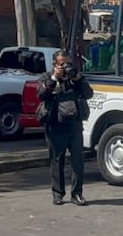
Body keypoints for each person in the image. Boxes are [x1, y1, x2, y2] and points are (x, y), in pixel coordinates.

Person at [37, 50, 94, 206]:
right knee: (56, 161)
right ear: (55, 64)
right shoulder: (46, 78)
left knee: (78, 161)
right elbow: (41, 95)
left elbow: (89, 94)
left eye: (68, 63)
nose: (65, 67)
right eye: (62, 64)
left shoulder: (74, 78)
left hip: (74, 125)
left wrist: (77, 79)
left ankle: (77, 194)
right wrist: (55, 78)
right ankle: (58, 194)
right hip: (55, 124)